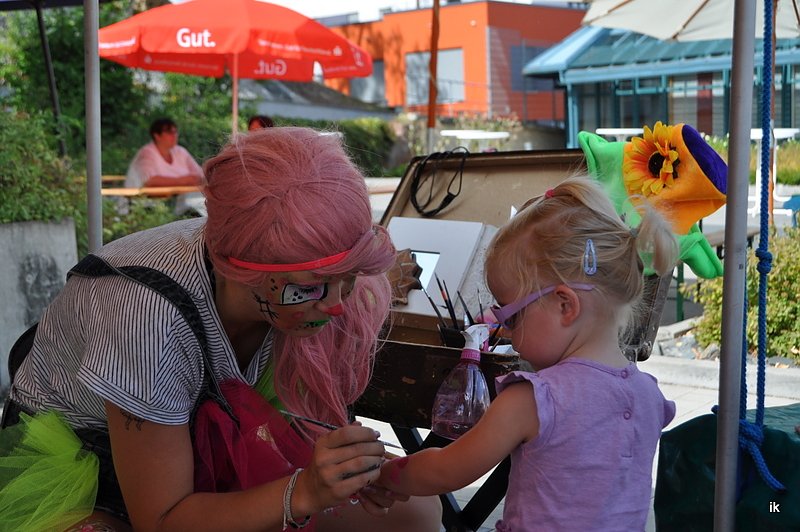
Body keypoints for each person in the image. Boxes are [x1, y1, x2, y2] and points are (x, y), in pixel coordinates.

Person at [1, 127, 441, 531]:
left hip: (213, 447)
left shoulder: (294, 272)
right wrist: (302, 492)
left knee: (416, 514)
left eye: (348, 278)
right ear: (242, 271)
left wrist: (347, 472)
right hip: (91, 473)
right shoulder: (147, 317)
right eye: (312, 288)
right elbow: (163, 520)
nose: (337, 306)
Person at [378, 175, 679, 531]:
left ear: (565, 305)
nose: (502, 329)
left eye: (510, 313)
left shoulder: (534, 400)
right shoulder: (650, 396)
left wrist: (383, 475)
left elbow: (446, 469)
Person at [124, 118, 203, 188]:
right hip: (142, 202)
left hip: (180, 201)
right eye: (169, 132)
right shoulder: (147, 153)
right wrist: (184, 180)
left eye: (175, 132)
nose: (174, 135)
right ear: (157, 135)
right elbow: (149, 181)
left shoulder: (181, 152)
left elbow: (200, 175)